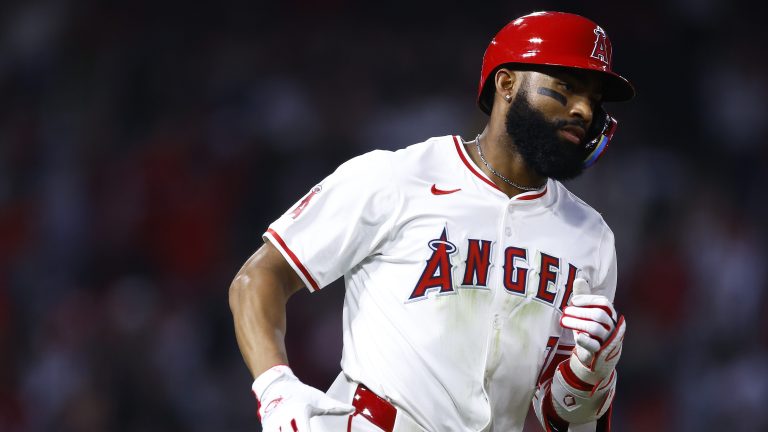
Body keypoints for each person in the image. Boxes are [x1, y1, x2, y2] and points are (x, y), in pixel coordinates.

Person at [229, 11, 633, 432]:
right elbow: (258, 279)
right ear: (506, 83)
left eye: (594, 98)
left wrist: (589, 378)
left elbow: (563, 419)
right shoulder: (400, 177)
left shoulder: (592, 238)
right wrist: (276, 387)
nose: (584, 109)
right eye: (566, 88)